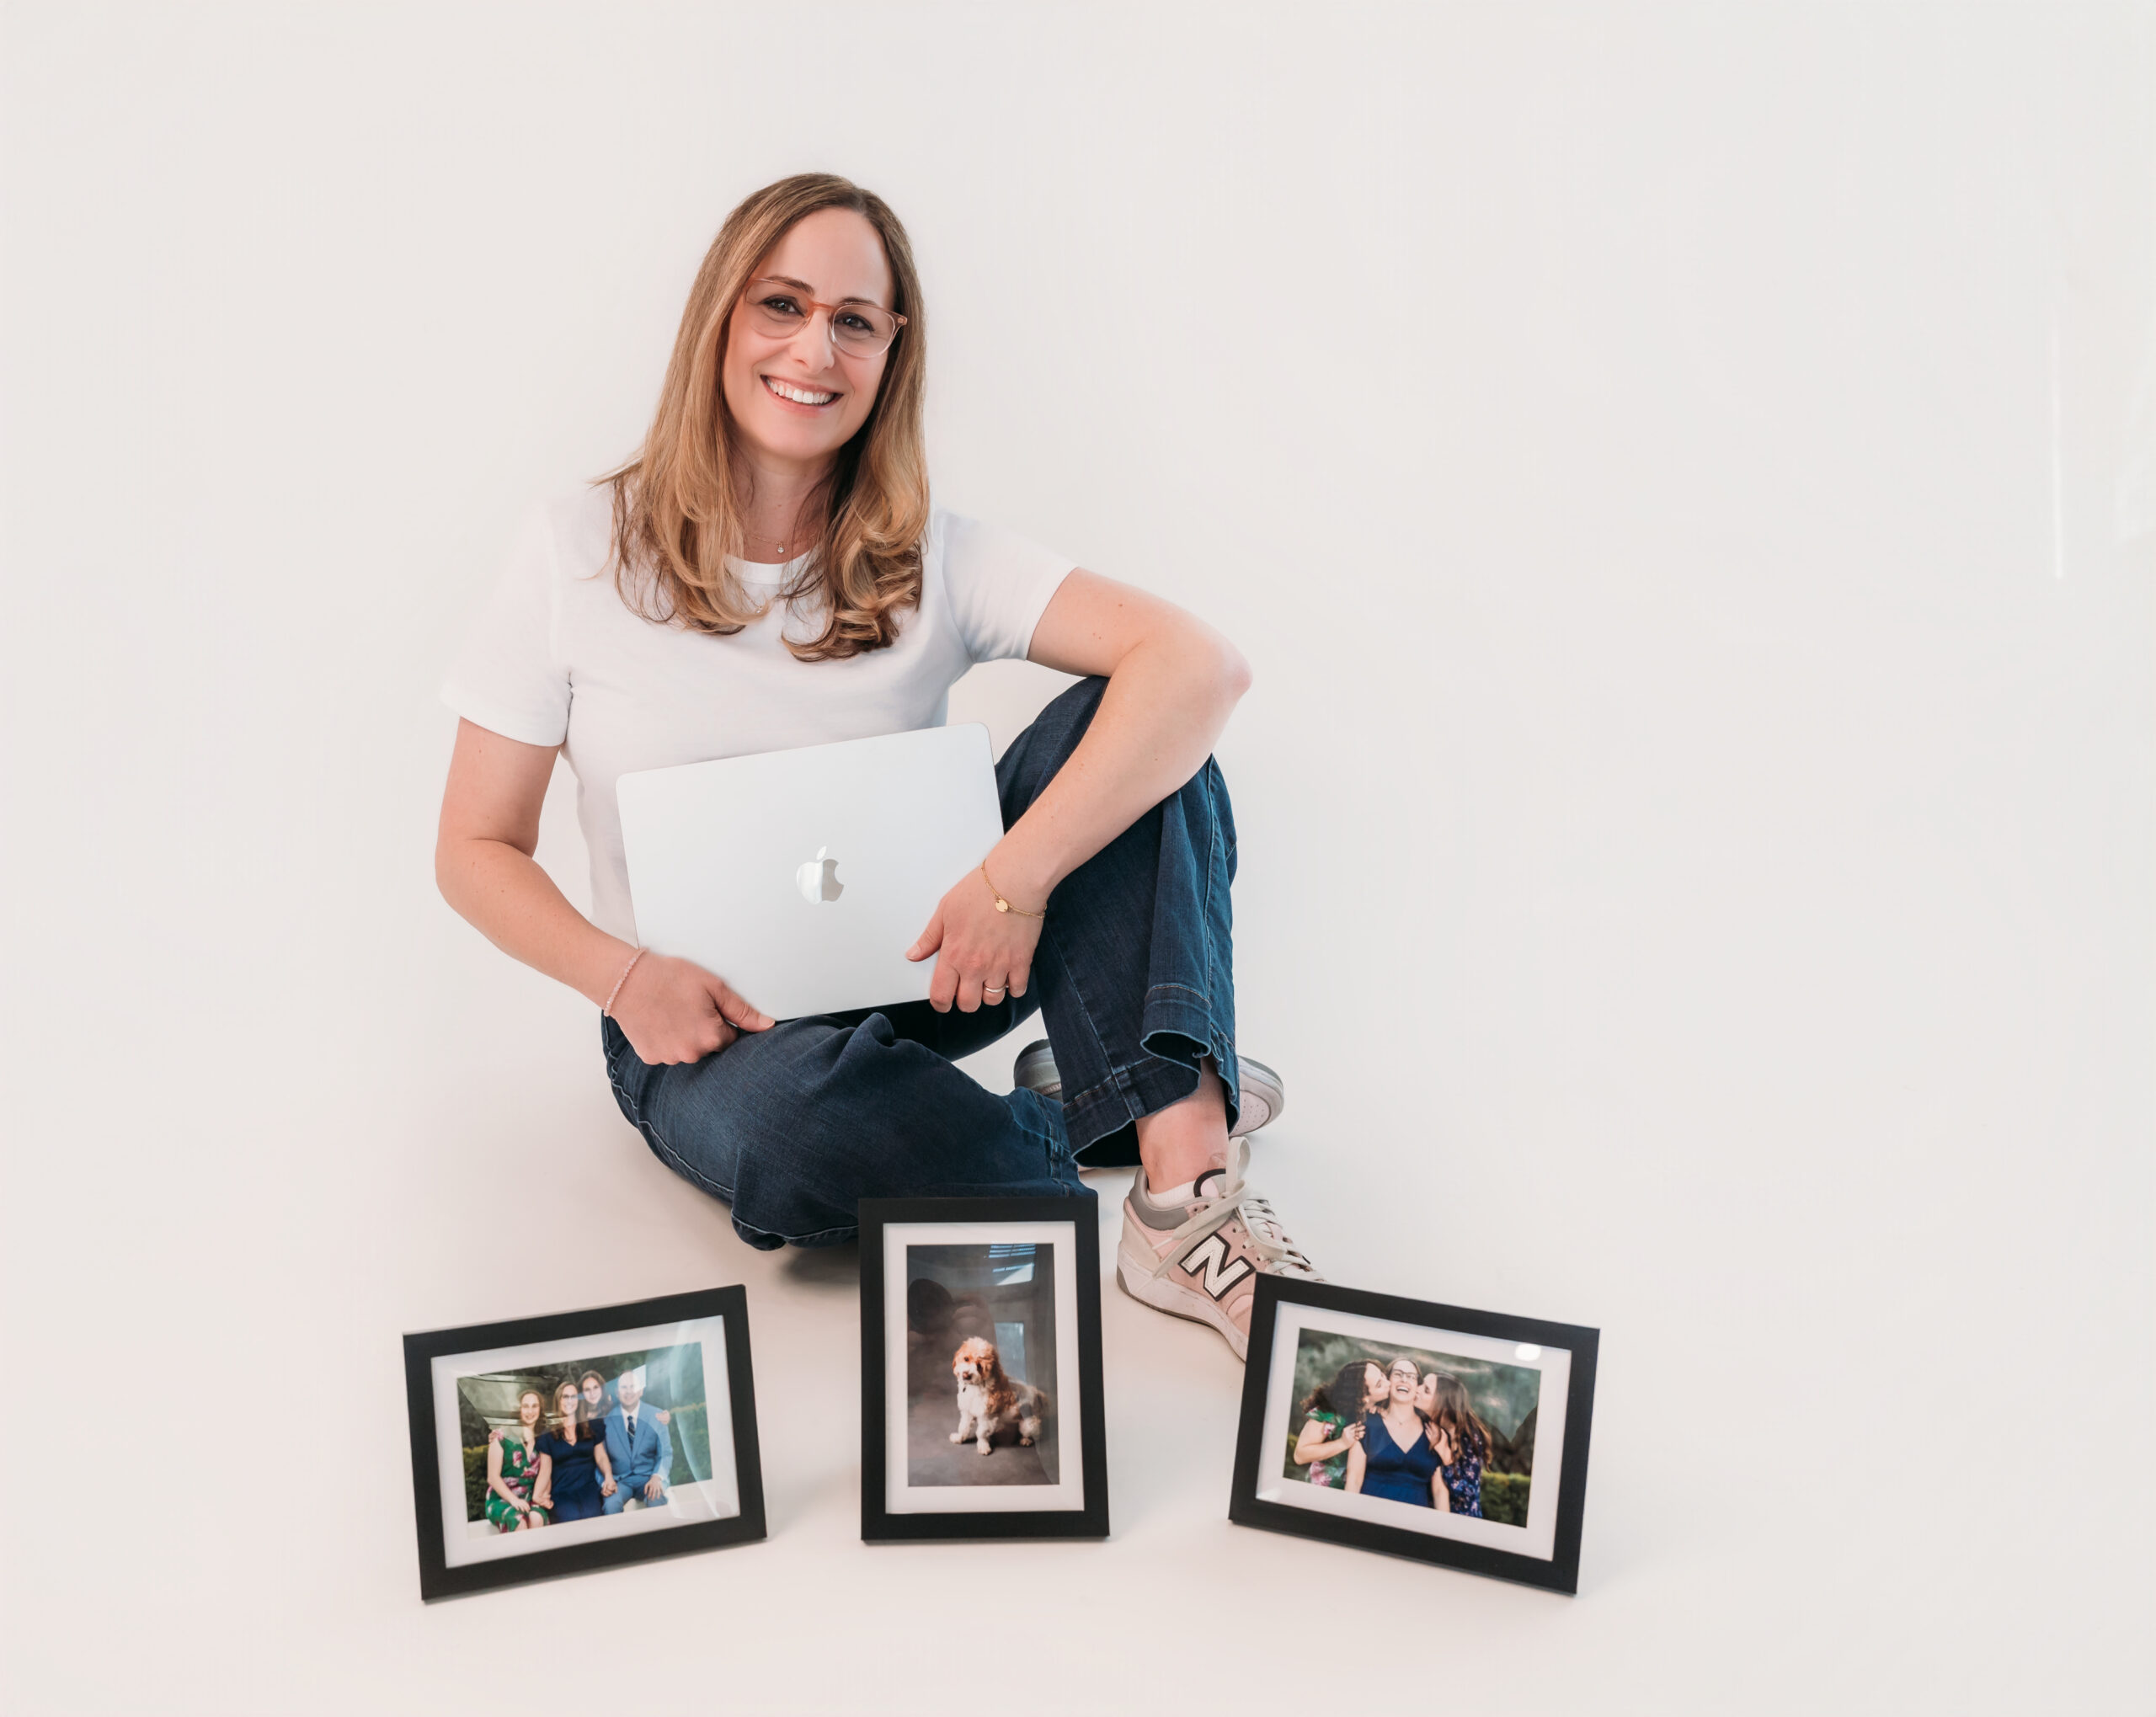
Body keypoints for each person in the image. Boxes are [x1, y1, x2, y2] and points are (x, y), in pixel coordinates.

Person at [435, 171, 1318, 1363]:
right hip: (701, 1023)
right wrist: (624, 975)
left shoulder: (931, 550)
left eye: (855, 320)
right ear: (721, 321)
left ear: (892, 350)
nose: (816, 349)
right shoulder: (574, 548)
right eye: (783, 305)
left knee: (1146, 729)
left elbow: (1198, 667)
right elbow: (474, 845)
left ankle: (1181, 1185)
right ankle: (1107, 1089)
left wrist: (1010, 882)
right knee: (798, 1140)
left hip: (934, 959)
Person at [1345, 1358, 1443, 1509]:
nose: (1404, 1379)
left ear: (1418, 1386)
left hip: (1416, 1523)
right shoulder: (1367, 1422)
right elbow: (1354, 1479)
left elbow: (1439, 1491)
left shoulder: (1433, 1431)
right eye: (1398, 1374)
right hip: (1369, 1514)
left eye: (1411, 1376)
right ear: (1388, 1380)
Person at [532, 1378, 616, 1523]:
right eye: (565, 1397)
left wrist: (608, 1476)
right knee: (570, 1519)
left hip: (588, 1489)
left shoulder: (591, 1427)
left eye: (574, 1397)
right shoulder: (547, 1435)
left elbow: (601, 1457)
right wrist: (537, 1495)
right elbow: (545, 1470)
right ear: (558, 1400)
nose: (569, 1401)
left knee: (593, 1517)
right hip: (561, 1493)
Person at [1291, 1359, 1385, 1487]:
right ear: (1364, 1397)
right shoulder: (1328, 1412)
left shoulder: (1382, 1410)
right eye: (1380, 1384)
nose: (1389, 1383)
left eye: (1383, 1375)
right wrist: (1342, 1443)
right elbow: (1300, 1455)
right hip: (1323, 1491)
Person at [1418, 1372, 1491, 1518]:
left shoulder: (1470, 1436)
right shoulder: (1427, 1424)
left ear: (1443, 1404)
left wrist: (1446, 1456)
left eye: (1426, 1390)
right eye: (1421, 1383)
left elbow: (1468, 1495)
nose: (1417, 1389)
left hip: (1463, 1522)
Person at [602, 1368, 671, 1513]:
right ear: (617, 1392)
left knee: (656, 1499)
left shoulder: (656, 1416)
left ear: (641, 1391)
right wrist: (605, 1482)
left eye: (633, 1387)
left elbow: (665, 1453)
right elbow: (600, 1458)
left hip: (648, 1477)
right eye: (624, 1387)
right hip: (620, 1482)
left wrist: (657, 1477)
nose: (628, 1392)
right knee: (610, 1505)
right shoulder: (606, 1422)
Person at [483, 1388, 551, 1532]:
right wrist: (514, 1500)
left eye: (535, 1406)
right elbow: (492, 1477)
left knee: (536, 1518)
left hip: (530, 1497)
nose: (530, 1411)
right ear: (519, 1409)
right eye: (525, 1406)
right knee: (518, 1520)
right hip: (502, 1498)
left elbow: (547, 1471)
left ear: (540, 1410)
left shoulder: (543, 1439)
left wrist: (544, 1495)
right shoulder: (501, 1436)